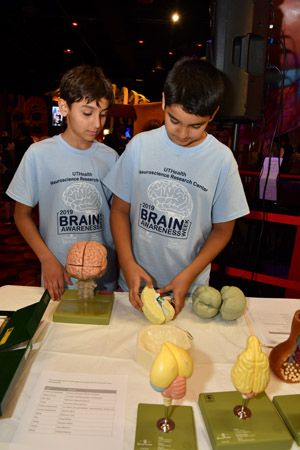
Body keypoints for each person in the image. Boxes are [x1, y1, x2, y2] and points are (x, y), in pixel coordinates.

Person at [103, 57, 249, 317]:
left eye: (196, 125)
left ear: (213, 114)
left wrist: (189, 275)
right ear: (163, 101)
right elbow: (119, 210)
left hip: (191, 290)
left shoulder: (221, 159)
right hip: (134, 286)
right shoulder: (140, 146)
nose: (182, 134)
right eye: (174, 120)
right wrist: (127, 263)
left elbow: (224, 228)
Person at [7, 65, 118, 300]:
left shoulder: (110, 157)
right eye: (87, 113)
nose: (97, 123)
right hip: (58, 272)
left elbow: (118, 214)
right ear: (64, 106)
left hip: (103, 273)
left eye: (103, 113)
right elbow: (21, 214)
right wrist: (46, 258)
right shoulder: (39, 154)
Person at [0, 134, 16, 224]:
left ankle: (11, 216)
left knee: (10, 198)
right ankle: (8, 218)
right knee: (7, 198)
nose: (14, 145)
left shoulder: (7, 153)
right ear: (8, 144)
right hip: (7, 177)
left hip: (9, 176)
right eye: (12, 143)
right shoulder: (5, 153)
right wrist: (4, 167)